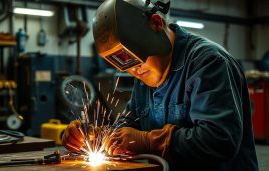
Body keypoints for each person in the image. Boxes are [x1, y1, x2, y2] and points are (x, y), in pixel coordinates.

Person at [62, 0, 259, 170]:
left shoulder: (208, 63)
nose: (136, 71)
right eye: (129, 67)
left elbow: (220, 140)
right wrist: (96, 137)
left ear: (156, 23)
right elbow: (130, 127)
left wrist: (148, 141)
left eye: (139, 61)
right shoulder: (145, 77)